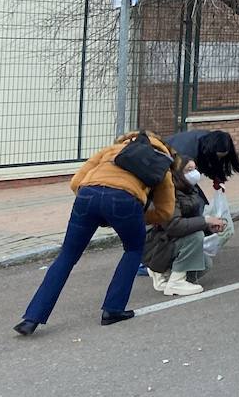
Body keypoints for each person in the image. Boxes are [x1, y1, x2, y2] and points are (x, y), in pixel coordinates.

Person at [14, 131, 175, 336]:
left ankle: (31, 319)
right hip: (125, 201)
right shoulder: (161, 163)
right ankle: (113, 310)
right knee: (133, 250)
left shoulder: (111, 150)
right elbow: (165, 212)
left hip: (87, 195)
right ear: (161, 145)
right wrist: (133, 217)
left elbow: (76, 182)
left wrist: (96, 206)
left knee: (67, 256)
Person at [143, 153, 227, 296]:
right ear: (177, 172)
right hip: (156, 244)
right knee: (196, 237)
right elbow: (174, 226)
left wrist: (208, 227)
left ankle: (165, 274)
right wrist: (205, 221)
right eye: (189, 170)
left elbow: (190, 223)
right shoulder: (166, 193)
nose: (194, 173)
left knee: (205, 264)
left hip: (168, 241)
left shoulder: (189, 189)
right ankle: (176, 282)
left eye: (195, 169)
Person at [166, 128, 239, 186]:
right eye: (218, 157)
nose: (219, 159)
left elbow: (206, 163)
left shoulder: (208, 141)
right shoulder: (188, 151)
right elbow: (178, 178)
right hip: (168, 166)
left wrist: (216, 176)